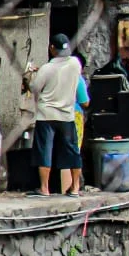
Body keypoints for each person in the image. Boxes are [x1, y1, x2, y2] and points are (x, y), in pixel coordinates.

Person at [25, 33, 83, 197]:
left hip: (47, 114)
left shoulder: (47, 68)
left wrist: (31, 77)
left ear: (51, 48)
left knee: (45, 149)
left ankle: (44, 188)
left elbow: (34, 88)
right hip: (67, 115)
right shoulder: (75, 63)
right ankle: (75, 187)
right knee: (72, 150)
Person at [73, 51, 91, 191]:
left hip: (55, 113)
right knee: (75, 148)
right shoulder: (78, 79)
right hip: (74, 114)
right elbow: (84, 102)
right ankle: (75, 185)